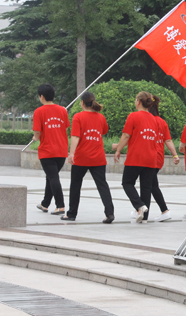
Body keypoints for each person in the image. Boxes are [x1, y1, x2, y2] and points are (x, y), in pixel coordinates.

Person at [61, 92, 114, 223]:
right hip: (98, 158)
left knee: (75, 185)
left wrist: (71, 153)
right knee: (102, 185)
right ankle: (110, 213)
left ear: (82, 103)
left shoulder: (78, 117)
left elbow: (75, 136)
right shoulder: (101, 117)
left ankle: (72, 214)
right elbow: (104, 130)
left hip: (81, 158)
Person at [114, 91, 160, 223]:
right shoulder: (154, 119)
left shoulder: (133, 116)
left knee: (127, 183)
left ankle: (139, 205)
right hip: (151, 157)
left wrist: (118, 149)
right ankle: (144, 218)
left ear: (138, 102)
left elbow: (126, 135)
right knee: (146, 187)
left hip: (136, 156)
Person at [33, 84, 69, 215]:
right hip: (61, 150)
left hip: (47, 151)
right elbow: (65, 127)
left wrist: (36, 137)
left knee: (53, 177)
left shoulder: (39, 111)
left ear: (42, 97)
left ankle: (60, 205)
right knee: (51, 177)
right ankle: (45, 204)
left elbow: (37, 132)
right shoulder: (62, 110)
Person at [150, 110, 181, 222]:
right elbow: (168, 140)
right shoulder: (162, 122)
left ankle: (164, 210)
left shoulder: (147, 120)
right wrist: (175, 155)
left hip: (149, 157)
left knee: (152, 185)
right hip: (158, 157)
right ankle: (140, 209)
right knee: (149, 184)